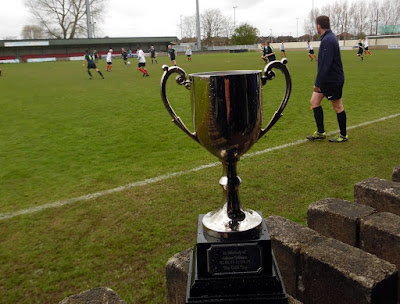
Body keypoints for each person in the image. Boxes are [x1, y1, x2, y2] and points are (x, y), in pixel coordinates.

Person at [306, 15, 348, 143]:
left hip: (333, 80)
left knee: (338, 107)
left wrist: (318, 83)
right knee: (314, 102)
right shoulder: (327, 38)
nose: (316, 27)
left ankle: (343, 135)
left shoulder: (328, 40)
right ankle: (320, 132)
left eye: (316, 25)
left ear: (318, 25)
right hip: (327, 79)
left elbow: (326, 64)